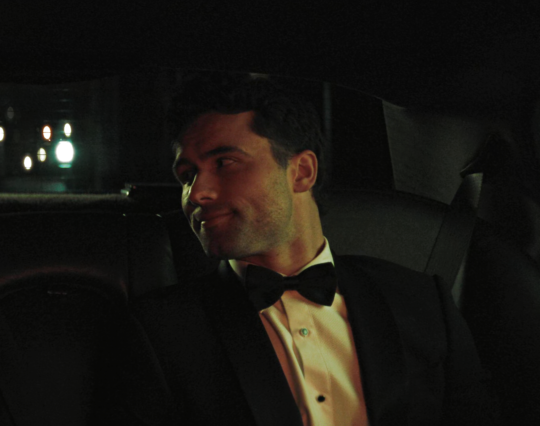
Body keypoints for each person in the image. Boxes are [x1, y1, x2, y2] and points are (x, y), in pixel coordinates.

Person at [103, 76, 495, 426]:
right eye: (187, 176)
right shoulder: (161, 332)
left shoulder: (421, 302)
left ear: (302, 172)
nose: (196, 194)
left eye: (225, 163)